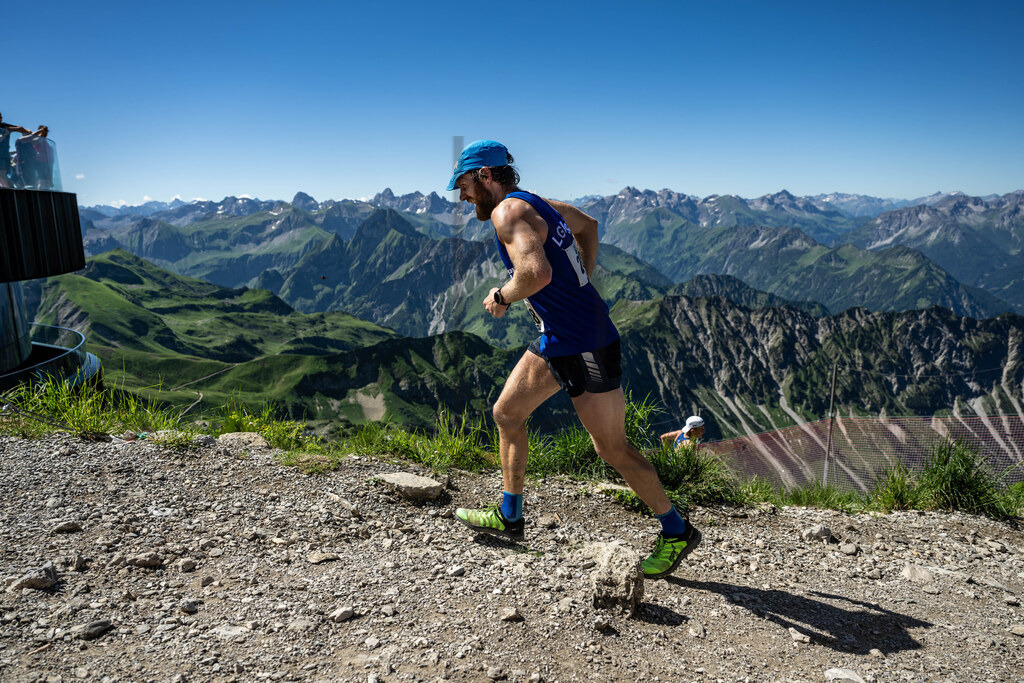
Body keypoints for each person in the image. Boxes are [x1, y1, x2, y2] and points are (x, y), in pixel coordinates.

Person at [447, 139, 700, 579]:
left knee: (612, 449)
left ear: (485, 176)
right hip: (558, 337)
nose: (463, 195)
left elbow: (536, 273)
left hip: (585, 342)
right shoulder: (541, 204)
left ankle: (676, 530)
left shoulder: (508, 212)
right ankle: (511, 515)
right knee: (506, 413)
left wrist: (501, 295)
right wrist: (584, 277)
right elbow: (590, 225)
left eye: (465, 184)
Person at [15, 125, 54, 190]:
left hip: (46, 163)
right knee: (37, 182)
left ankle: (45, 191)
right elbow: (33, 139)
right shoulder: (26, 140)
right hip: (36, 163)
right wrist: (41, 131)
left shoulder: (44, 140)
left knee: (44, 182)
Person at [0, 112, 32, 189]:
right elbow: (19, 128)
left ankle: (11, 191)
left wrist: (25, 131)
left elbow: (19, 128)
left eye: (1, 116)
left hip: (3, 156)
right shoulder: (6, 127)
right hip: (4, 155)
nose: (1, 118)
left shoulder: (5, 126)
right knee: (3, 175)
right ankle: (12, 190)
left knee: (2, 175)